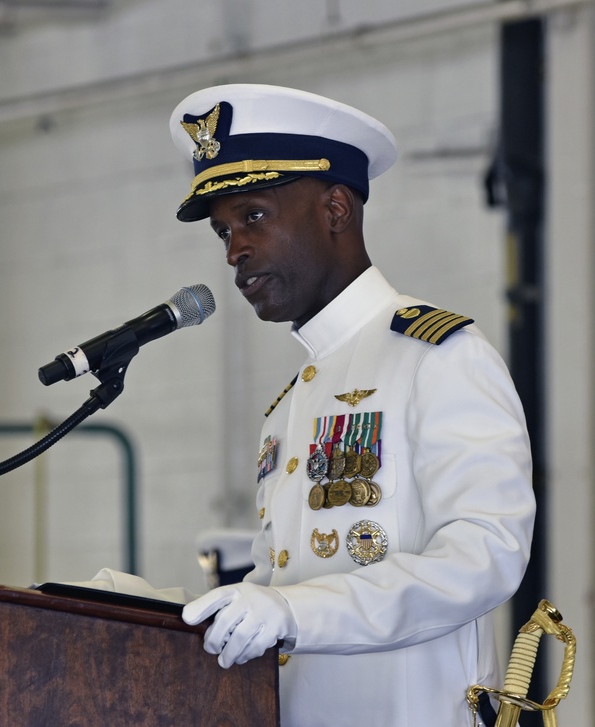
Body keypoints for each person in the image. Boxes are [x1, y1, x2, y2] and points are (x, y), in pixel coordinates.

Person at [81, 84, 536, 727]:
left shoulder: (437, 355)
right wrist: (147, 611)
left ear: (336, 209)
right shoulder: (291, 404)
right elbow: (279, 595)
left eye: (255, 216)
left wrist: (296, 613)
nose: (235, 248)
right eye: (224, 231)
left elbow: (485, 557)